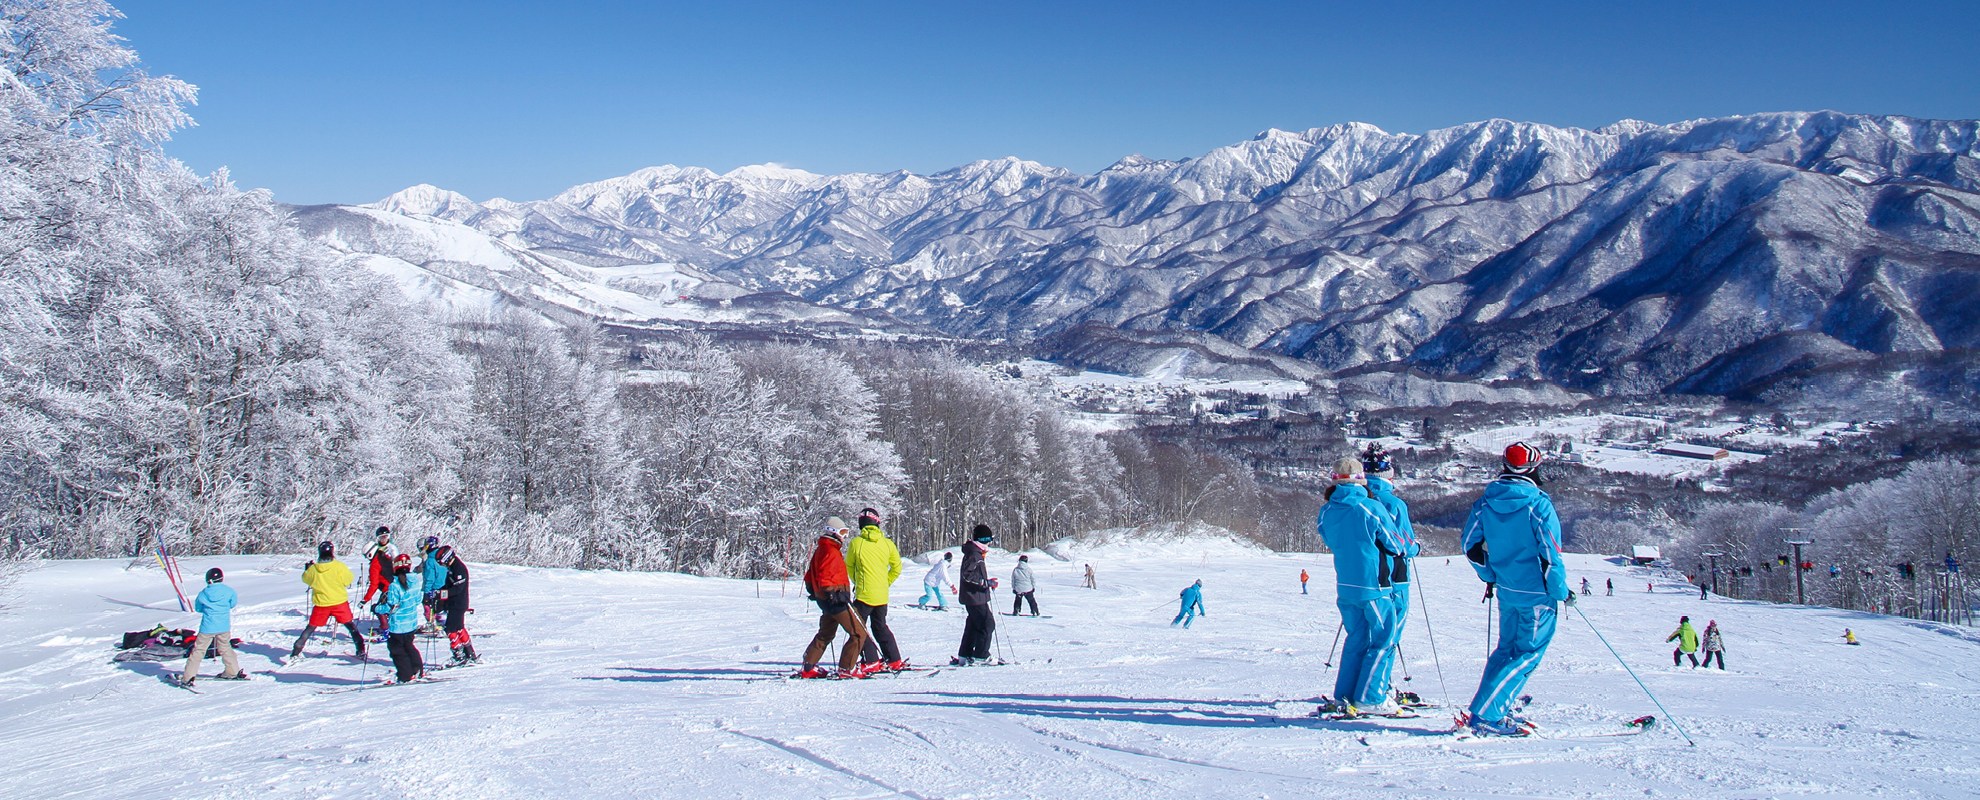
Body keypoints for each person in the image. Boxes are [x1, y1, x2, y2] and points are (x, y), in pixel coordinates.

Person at [1460, 442, 1571, 736]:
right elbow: (1551, 553)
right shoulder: (1538, 504)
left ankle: (1491, 707)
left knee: (1506, 651)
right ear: (1534, 468)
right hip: (1536, 593)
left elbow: (1469, 546)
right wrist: (1560, 590)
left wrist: (1491, 574)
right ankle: (1488, 715)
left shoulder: (1486, 501)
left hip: (1507, 591)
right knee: (1528, 654)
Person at [1319, 456, 1403, 716]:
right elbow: (1395, 544)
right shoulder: (1370, 507)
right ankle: (1371, 696)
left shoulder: (1327, 510)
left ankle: (1345, 694)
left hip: (1345, 586)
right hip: (1374, 586)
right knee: (1383, 638)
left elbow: (1327, 537)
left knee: (1356, 638)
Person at [1363, 447, 1418, 710]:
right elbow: (1405, 543)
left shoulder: (1359, 497)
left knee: (1368, 634)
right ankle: (1377, 689)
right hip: (1395, 576)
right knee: (1390, 633)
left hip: (1364, 575)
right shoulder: (1394, 504)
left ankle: (1366, 685)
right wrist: (1416, 548)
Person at [798, 519, 870, 678]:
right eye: (842, 532)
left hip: (827, 600)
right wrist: (832, 593)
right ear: (833, 531)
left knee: (826, 633)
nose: (844, 536)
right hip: (835, 600)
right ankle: (846, 668)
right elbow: (824, 575)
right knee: (859, 632)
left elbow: (810, 574)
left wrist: (814, 590)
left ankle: (808, 666)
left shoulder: (822, 549)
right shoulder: (830, 550)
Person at [846, 510, 908, 672]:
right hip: (881, 595)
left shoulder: (856, 543)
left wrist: (857, 581)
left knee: (858, 628)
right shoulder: (887, 544)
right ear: (877, 523)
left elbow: (849, 566)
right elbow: (897, 566)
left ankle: (871, 660)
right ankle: (894, 659)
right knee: (880, 627)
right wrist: (885, 582)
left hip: (864, 595)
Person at [291, 541, 366, 660]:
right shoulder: (339, 566)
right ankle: (360, 649)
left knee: (310, 628)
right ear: (332, 552)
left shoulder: (314, 569)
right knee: (350, 626)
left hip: (321, 604)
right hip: (339, 602)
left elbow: (305, 579)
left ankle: (296, 651)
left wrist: (307, 570)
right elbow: (348, 580)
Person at [181, 568, 246, 686]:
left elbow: (198, 608)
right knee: (226, 647)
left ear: (209, 580)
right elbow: (232, 604)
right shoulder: (229, 591)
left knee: (199, 651)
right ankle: (233, 671)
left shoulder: (203, 593)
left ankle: (188, 677)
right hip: (223, 626)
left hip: (208, 627)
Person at [376, 554, 426, 683]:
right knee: (409, 645)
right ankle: (417, 669)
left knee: (396, 650)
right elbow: (417, 600)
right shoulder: (415, 582)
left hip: (398, 625)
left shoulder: (394, 586)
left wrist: (377, 609)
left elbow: (392, 607)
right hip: (411, 623)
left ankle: (405, 675)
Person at [954, 524, 997, 665]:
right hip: (975, 597)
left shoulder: (975, 553)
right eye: (988, 540)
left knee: (973, 625)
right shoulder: (974, 554)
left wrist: (987, 582)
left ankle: (965, 655)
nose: (990, 543)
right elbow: (967, 575)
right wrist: (985, 583)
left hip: (974, 596)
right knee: (987, 624)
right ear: (983, 540)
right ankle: (981, 655)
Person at [436, 545, 478, 664]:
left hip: (458, 604)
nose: (443, 565)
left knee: (450, 629)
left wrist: (441, 594)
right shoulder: (452, 568)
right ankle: (469, 653)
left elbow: (457, 589)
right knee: (459, 627)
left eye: (443, 563)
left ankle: (459, 655)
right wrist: (439, 592)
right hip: (453, 603)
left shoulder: (459, 569)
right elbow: (448, 585)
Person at [358, 526, 398, 642]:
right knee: (389, 607)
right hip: (395, 586)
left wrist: (365, 599)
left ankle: (386, 631)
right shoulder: (384, 556)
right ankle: (389, 626)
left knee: (378, 608)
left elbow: (374, 584)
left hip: (388, 588)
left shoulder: (375, 564)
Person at [418, 535, 446, 632]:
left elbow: (429, 578)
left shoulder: (430, 560)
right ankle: (442, 625)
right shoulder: (442, 556)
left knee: (429, 606)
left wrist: (426, 592)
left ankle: (435, 625)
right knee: (441, 607)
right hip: (444, 587)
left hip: (435, 588)